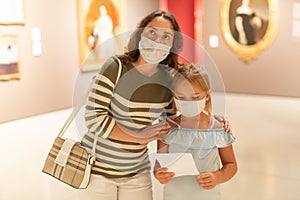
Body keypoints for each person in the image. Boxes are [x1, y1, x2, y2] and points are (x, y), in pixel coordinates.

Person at [80, 10, 230, 200]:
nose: (157, 40)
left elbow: (175, 122)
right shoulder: (116, 67)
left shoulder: (167, 80)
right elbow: (93, 118)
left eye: (166, 36)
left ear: (172, 45)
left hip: (137, 173)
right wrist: (138, 136)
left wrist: (211, 119)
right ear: (140, 34)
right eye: (152, 32)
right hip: (98, 170)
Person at [154, 64, 238, 200]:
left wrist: (217, 177)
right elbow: (160, 163)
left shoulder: (217, 129)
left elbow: (231, 165)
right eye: (181, 97)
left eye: (195, 97)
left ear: (207, 96)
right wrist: (158, 173)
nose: (188, 102)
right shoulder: (168, 129)